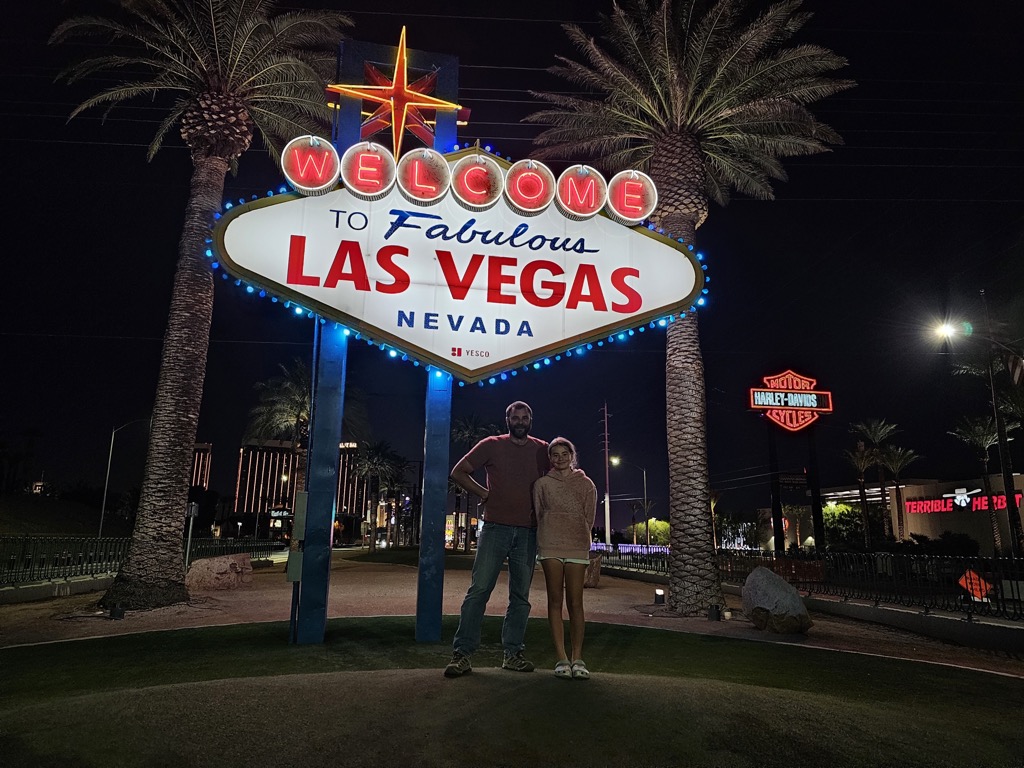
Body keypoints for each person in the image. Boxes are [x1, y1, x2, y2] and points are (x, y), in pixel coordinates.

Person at [444, 401, 549, 677]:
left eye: (525, 417)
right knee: (478, 591)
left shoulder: (543, 449)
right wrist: (484, 493)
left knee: (520, 597)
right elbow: (458, 471)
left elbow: (559, 479)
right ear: (507, 420)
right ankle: (462, 654)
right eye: (515, 417)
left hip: (528, 531)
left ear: (531, 419)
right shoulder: (491, 444)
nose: (520, 421)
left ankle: (513, 654)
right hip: (495, 529)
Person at [533, 437, 597, 680]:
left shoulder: (586, 484)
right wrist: (551, 530)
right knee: (554, 600)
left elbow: (589, 516)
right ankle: (561, 658)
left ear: (572, 456)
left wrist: (577, 532)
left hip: (577, 545)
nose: (559, 458)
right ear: (550, 458)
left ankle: (577, 657)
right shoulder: (541, 484)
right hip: (549, 544)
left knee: (576, 602)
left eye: (564, 454)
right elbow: (540, 513)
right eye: (555, 454)